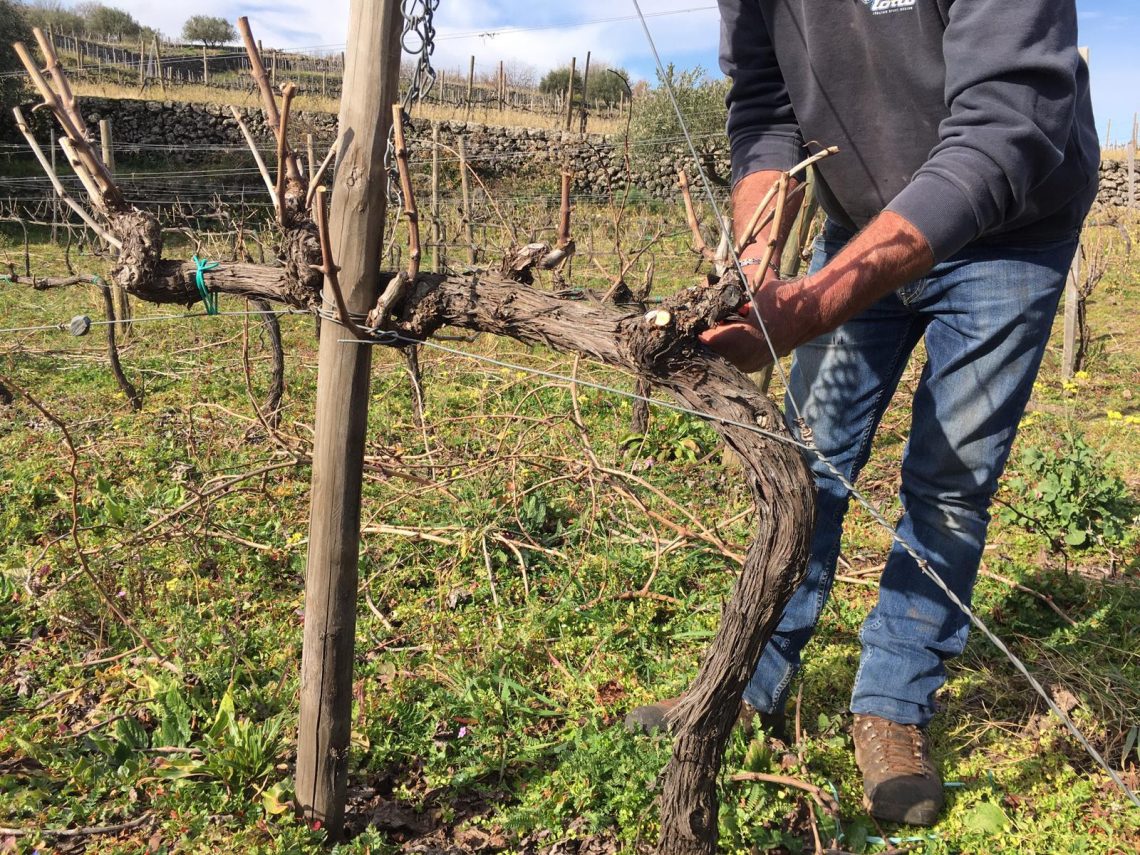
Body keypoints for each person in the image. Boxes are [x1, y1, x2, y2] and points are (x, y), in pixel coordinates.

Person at [625, 0, 1099, 827]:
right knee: (809, 458)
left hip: (1013, 231)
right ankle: (752, 680)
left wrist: (806, 308)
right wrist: (759, 256)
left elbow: (999, 132)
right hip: (859, 219)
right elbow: (766, 106)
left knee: (949, 482)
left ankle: (893, 703)